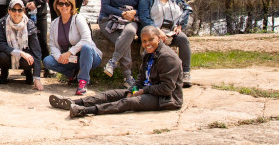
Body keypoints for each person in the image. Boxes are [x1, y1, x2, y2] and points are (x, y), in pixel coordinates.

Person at [49, 26, 183, 117]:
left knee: (128, 102)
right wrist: (134, 89)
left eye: (151, 40)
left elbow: (167, 88)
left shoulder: (167, 58)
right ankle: (74, 102)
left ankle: (85, 111)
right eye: (144, 41)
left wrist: (143, 92)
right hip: (146, 90)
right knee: (111, 94)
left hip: (165, 99)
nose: (147, 44)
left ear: (159, 38)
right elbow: (141, 78)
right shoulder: (148, 53)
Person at [138, 0, 194, 87]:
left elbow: (186, 9)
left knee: (183, 39)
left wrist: (180, 25)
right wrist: (156, 31)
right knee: (151, 44)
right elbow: (144, 17)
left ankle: (185, 73)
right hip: (154, 31)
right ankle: (149, 75)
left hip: (172, 31)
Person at [99, 0, 144, 89]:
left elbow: (141, 9)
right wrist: (122, 13)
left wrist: (133, 13)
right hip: (109, 19)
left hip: (129, 20)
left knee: (129, 32)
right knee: (124, 40)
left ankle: (113, 62)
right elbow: (105, 6)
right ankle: (128, 77)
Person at [44, 0, 101, 95]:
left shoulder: (78, 19)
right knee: (47, 61)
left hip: (89, 56)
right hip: (70, 59)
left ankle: (82, 81)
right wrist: (60, 57)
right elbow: (52, 45)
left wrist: (69, 53)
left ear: (72, 5)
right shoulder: (54, 23)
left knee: (86, 47)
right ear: (56, 6)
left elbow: (86, 39)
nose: (64, 6)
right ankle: (73, 75)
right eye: (61, 4)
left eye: (67, 4)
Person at [0, 0, 44, 90]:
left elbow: (36, 50)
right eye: (14, 10)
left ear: (23, 11)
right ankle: (4, 72)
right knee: (2, 56)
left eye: (19, 10)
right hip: (9, 53)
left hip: (25, 55)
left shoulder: (30, 24)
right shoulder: (2, 22)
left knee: (28, 58)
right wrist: (19, 52)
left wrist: (37, 77)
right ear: (9, 10)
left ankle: (28, 72)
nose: (16, 13)